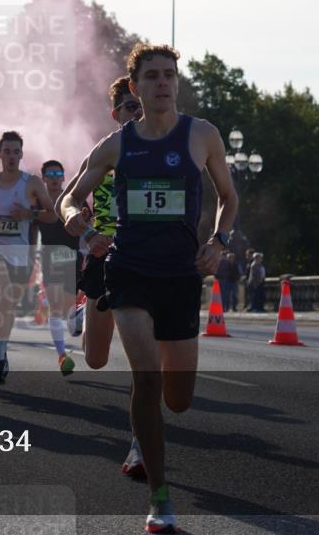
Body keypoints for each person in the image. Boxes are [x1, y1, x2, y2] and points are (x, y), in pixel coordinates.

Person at [59, 43, 237, 533]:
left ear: (177, 83)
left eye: (169, 76)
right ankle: (160, 499)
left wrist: (218, 241)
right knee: (147, 378)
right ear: (135, 87)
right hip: (130, 270)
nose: (163, 83)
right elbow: (70, 196)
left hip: (180, 275)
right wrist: (81, 223)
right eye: (153, 76)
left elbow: (228, 196)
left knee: (178, 398)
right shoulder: (117, 145)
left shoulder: (201, 135)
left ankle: (152, 445)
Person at [57, 75, 146, 476]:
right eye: (131, 106)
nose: (139, 111)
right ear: (116, 114)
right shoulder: (104, 153)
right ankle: (82, 312)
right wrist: (86, 227)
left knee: (144, 361)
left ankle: (138, 445)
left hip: (146, 260)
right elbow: (66, 200)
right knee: (95, 359)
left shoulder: (164, 153)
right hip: (102, 258)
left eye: (141, 104)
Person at [0, 131, 59, 384]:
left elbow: (51, 214)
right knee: (5, 293)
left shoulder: (31, 183)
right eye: (6, 151)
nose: (10, 156)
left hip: (20, 253)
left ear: (21, 155)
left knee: (8, 305)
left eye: (15, 152)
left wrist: (29, 216)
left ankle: (1, 352)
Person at [37, 160, 86, 376]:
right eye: (50, 174)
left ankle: (76, 318)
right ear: (44, 178)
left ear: (64, 177)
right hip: (50, 257)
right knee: (56, 305)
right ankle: (61, 354)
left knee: (69, 308)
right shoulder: (38, 201)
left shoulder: (73, 198)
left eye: (58, 173)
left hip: (73, 256)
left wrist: (87, 253)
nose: (55, 177)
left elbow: (88, 225)